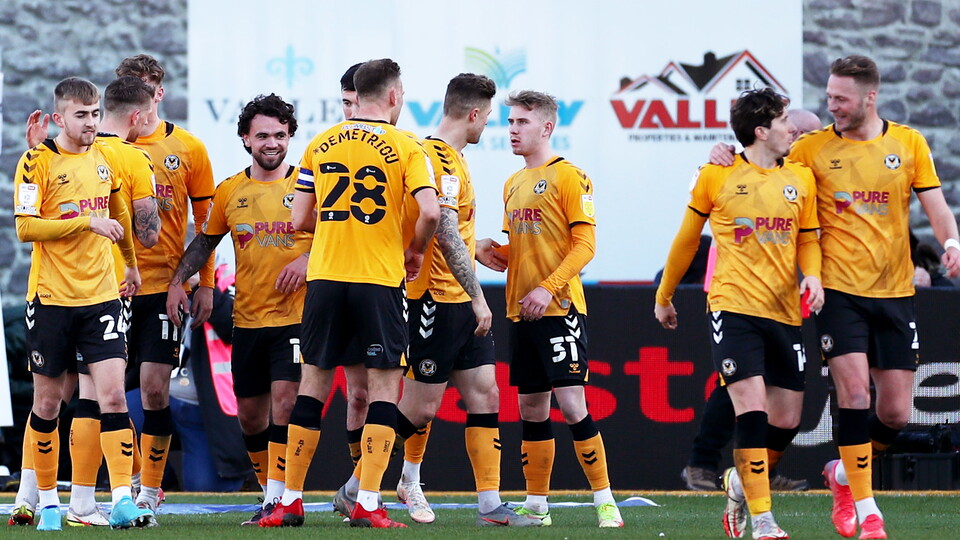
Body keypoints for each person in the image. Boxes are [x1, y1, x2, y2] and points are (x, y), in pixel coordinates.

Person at [711, 56, 960, 540]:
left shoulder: (908, 143)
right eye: (828, 97)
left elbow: (937, 207)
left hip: (895, 292)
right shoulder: (810, 149)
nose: (832, 106)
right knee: (854, 393)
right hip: (837, 293)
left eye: (840, 99)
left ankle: (842, 475)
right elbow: (757, 164)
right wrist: (723, 152)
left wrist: (951, 244)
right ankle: (869, 512)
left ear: (870, 97)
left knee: (895, 413)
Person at [258, 58, 439, 529]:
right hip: (377, 281)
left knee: (313, 386)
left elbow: (298, 219)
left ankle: (290, 501)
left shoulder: (320, 142)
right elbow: (432, 214)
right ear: (395, 96)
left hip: (325, 278)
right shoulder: (407, 146)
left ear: (356, 96)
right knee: (382, 389)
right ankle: (369, 504)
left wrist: (345, 225)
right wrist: (414, 250)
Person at [656, 87, 824, 540]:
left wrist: (813, 275)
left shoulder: (801, 178)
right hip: (733, 306)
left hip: (786, 309)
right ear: (762, 130)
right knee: (749, 408)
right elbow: (687, 239)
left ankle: (738, 480)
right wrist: (664, 295)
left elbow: (808, 237)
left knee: (787, 418)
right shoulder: (717, 174)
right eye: (785, 120)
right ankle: (763, 520)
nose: (792, 128)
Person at [12, 75, 162, 528]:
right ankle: (48, 504)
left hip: (101, 297)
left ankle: (119, 500)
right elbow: (26, 227)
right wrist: (84, 224)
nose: (91, 122)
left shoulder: (106, 157)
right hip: (53, 298)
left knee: (114, 396)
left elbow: (117, 214)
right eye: (81, 115)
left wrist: (131, 265)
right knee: (49, 404)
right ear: (59, 118)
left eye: (96, 113)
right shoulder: (34, 161)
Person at [165, 93, 308, 525]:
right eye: (262, 134)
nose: (272, 142)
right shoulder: (230, 191)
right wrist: (178, 283)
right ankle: (271, 495)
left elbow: (340, 239)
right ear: (246, 138)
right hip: (247, 320)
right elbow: (206, 242)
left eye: (280, 135)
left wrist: (307, 259)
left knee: (285, 405)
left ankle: (288, 500)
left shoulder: (309, 186)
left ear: (290, 138)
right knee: (250, 417)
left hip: (296, 321)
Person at [490, 90, 622, 528]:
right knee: (530, 409)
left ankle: (606, 502)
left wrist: (548, 288)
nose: (512, 129)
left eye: (522, 122)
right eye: (510, 121)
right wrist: (481, 251)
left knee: (571, 402)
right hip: (519, 310)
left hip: (559, 307)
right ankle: (537, 505)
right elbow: (520, 251)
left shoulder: (569, 176)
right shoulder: (511, 183)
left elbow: (586, 245)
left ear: (546, 127)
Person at [115, 54, 217, 515]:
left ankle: (149, 490)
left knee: (155, 388)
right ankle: (126, 481)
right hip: (110, 286)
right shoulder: (103, 148)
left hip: (163, 285)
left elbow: (206, 224)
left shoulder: (189, 148)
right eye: (128, 89)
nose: (138, 98)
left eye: (146, 88)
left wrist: (202, 283)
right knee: (109, 390)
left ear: (158, 93)